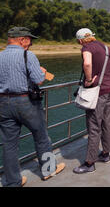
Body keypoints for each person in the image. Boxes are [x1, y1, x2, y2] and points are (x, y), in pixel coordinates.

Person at [0, 27, 65, 187]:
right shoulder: (27, 55)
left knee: (9, 144)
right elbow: (38, 80)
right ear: (22, 39)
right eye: (30, 40)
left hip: (3, 103)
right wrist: (41, 72)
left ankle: (13, 181)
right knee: (42, 137)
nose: (31, 44)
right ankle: (48, 171)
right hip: (26, 102)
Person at [73, 28, 110, 174]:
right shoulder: (105, 47)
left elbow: (87, 64)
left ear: (80, 40)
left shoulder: (87, 47)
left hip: (96, 93)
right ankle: (106, 154)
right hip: (109, 89)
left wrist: (89, 80)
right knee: (106, 123)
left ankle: (89, 163)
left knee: (94, 127)